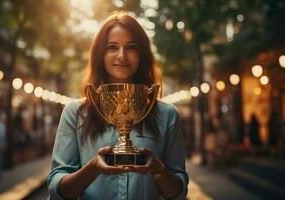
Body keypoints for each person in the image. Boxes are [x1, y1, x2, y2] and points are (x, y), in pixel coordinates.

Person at [47, 11, 189, 200]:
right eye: (112, 47)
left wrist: (157, 169)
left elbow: (178, 192)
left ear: (142, 54)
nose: (122, 56)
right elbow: (57, 190)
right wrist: (94, 168)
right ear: (100, 54)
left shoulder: (166, 114)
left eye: (131, 47)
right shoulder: (76, 113)